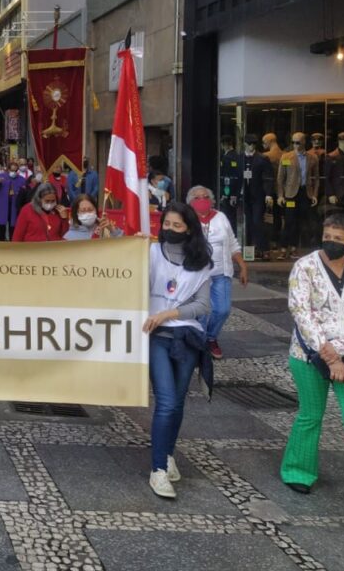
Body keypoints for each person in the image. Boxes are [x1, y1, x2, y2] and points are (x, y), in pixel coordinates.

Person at [281, 213, 344, 510]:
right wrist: (329, 356)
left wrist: (341, 352)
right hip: (307, 356)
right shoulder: (304, 267)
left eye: (338, 239)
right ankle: (297, 469)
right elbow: (301, 312)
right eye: (327, 236)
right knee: (310, 415)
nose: (331, 242)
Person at [143, 202, 214, 500]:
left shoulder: (202, 262)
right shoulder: (149, 252)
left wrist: (169, 314)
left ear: (189, 229)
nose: (169, 230)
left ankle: (168, 453)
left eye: (177, 226)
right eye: (166, 224)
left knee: (179, 401)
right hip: (155, 336)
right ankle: (158, 469)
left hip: (186, 336)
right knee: (167, 400)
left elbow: (202, 305)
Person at [188, 185, 248, 359]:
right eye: (197, 197)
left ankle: (211, 337)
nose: (202, 200)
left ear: (212, 200)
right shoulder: (187, 218)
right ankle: (199, 342)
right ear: (191, 202)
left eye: (205, 196)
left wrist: (242, 266)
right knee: (201, 311)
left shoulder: (221, 217)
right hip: (197, 274)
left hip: (221, 273)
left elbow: (232, 243)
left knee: (222, 310)